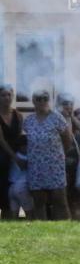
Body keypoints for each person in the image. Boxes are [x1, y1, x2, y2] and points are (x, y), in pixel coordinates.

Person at [22, 90, 76, 221]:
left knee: (59, 199)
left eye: (45, 99)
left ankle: (64, 227)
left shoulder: (57, 117)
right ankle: (42, 227)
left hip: (54, 164)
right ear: (33, 101)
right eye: (39, 99)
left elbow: (67, 139)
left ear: (49, 101)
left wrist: (59, 154)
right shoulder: (28, 120)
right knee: (38, 199)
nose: (42, 102)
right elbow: (24, 141)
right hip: (36, 165)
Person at [0, 85, 22, 219]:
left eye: (9, 95)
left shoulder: (18, 115)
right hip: (2, 157)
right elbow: (1, 140)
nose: (7, 98)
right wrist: (15, 157)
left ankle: (8, 221)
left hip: (14, 159)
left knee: (10, 192)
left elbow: (20, 136)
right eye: (3, 95)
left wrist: (19, 156)